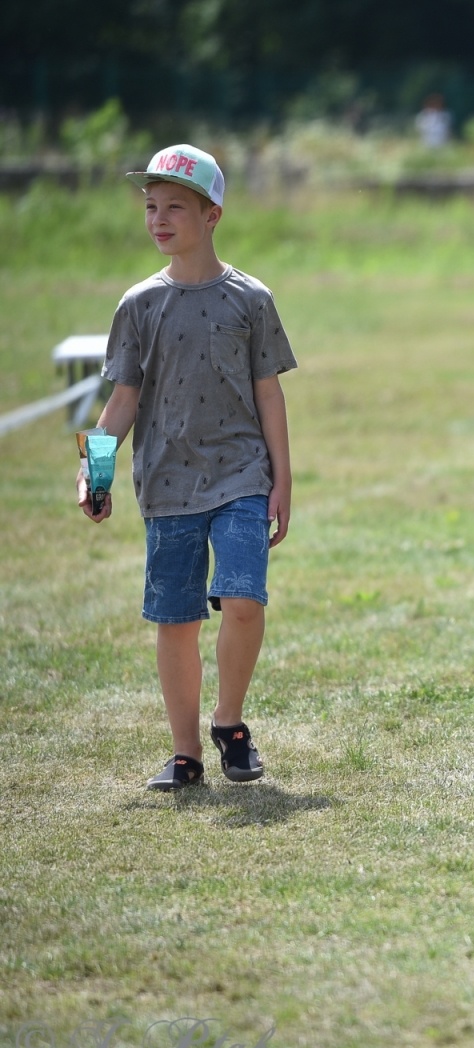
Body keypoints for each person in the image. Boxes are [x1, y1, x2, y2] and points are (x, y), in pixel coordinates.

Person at [78, 144, 297, 790]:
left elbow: (268, 392)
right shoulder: (138, 306)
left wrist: (283, 478)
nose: (158, 219)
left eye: (175, 206)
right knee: (175, 621)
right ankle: (185, 754)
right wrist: (94, 468)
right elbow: (121, 402)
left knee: (244, 598)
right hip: (167, 482)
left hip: (241, 476)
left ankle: (229, 723)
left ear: (212, 214)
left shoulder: (250, 299)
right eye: (150, 207)